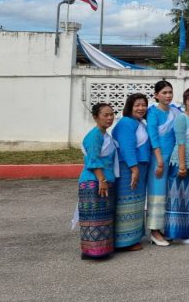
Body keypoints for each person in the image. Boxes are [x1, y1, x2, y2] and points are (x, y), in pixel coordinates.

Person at [78, 103, 118, 260]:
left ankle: (102, 250)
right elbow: (93, 160)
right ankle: (92, 252)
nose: (110, 118)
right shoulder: (94, 136)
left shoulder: (105, 135)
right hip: (94, 182)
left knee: (103, 217)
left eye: (111, 114)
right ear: (95, 117)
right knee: (93, 218)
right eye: (105, 115)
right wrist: (102, 179)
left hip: (104, 181)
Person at [112, 93, 151, 251]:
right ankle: (124, 241)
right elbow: (127, 148)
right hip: (129, 168)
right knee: (126, 204)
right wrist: (134, 169)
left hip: (140, 167)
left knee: (136, 203)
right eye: (137, 105)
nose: (141, 108)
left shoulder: (140, 123)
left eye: (144, 105)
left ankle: (133, 238)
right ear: (130, 107)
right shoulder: (126, 123)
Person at [164, 89, 189, 244]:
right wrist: (182, 166)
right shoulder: (181, 118)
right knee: (178, 196)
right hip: (182, 161)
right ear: (185, 102)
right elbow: (180, 143)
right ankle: (177, 234)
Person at [146, 80, 178, 246]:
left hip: (173, 158)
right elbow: (153, 137)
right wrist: (159, 160)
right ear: (156, 95)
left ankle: (165, 228)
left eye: (170, 92)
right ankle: (154, 231)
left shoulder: (175, 111)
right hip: (158, 158)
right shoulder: (153, 113)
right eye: (164, 93)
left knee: (169, 193)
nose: (168, 95)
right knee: (157, 193)